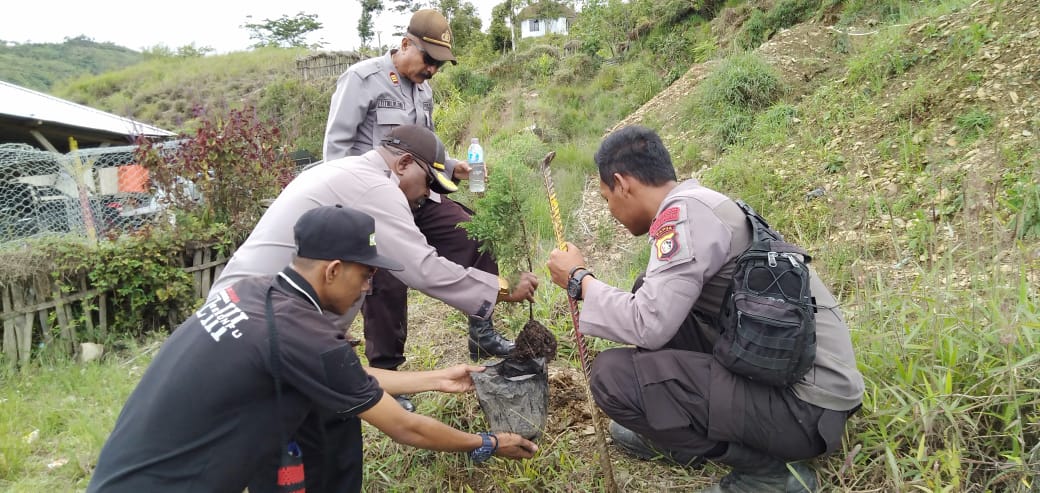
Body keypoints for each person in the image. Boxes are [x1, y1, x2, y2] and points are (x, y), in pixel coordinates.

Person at [88, 205, 537, 493]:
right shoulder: (305, 333)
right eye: (365, 275)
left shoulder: (251, 292)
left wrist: (436, 379)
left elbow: (339, 375)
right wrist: (487, 442)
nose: (369, 286)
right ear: (333, 270)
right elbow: (406, 428)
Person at [208, 125, 538, 491]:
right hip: (269, 329)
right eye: (427, 183)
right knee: (312, 438)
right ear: (405, 163)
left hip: (245, 309)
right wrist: (504, 289)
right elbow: (423, 269)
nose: (426, 196)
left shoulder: (342, 171)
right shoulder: (377, 189)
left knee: (327, 426)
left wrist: (436, 379)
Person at [547, 126, 863, 493]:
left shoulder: (681, 217)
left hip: (805, 410)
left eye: (606, 199)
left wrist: (578, 279)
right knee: (644, 288)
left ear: (622, 183)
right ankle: (677, 438)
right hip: (808, 395)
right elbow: (656, 309)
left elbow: (648, 324)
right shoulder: (700, 202)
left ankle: (767, 475)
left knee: (611, 375)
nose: (611, 211)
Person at [322, 8, 515, 378]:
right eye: (429, 60)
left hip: (418, 196)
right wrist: (346, 217)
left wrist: (453, 163)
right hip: (372, 204)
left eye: (439, 65)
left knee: (476, 234)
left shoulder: (423, 90)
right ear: (406, 43)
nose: (432, 71)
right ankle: (389, 372)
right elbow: (336, 152)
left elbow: (424, 147)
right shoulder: (362, 80)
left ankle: (481, 329)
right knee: (386, 280)